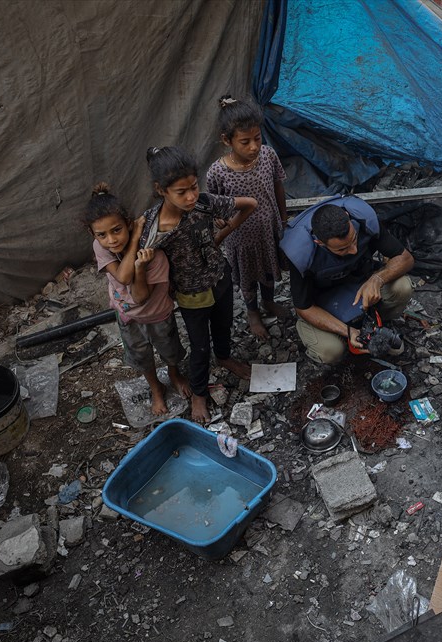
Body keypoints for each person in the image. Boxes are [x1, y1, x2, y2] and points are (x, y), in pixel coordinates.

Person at [139, 146, 257, 423]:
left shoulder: (204, 202)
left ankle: (225, 357)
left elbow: (249, 204)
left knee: (224, 324)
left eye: (194, 186)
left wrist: (220, 236)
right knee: (199, 346)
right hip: (191, 295)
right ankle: (200, 394)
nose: (191, 196)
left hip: (220, 278)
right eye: (182, 192)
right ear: (161, 190)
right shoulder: (154, 227)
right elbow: (143, 262)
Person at [83, 182, 191, 416]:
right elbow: (122, 276)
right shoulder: (100, 246)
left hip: (157, 313)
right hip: (128, 316)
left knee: (170, 349)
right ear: (93, 234)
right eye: (102, 235)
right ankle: (156, 388)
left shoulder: (153, 255)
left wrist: (140, 268)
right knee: (142, 356)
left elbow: (141, 296)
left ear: (128, 224)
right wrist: (133, 241)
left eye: (117, 230)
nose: (111, 240)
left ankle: (174, 374)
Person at [280, 196, 415, 363]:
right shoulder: (302, 254)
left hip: (360, 284)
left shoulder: (363, 220)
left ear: (348, 218)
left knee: (402, 287)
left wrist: (377, 279)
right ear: (320, 243)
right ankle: (342, 335)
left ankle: (377, 325)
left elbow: (405, 258)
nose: (354, 250)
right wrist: (348, 331)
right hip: (324, 304)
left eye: (354, 239)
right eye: (342, 249)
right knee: (330, 352)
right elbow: (304, 308)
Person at [206, 95, 290, 339]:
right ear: (227, 140)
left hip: (269, 229)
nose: (253, 146)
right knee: (248, 277)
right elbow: (214, 204)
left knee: (270, 269)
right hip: (241, 238)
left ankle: (269, 301)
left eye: (257, 138)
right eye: (245, 142)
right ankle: (253, 312)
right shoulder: (218, 172)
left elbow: (278, 187)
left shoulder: (268, 156)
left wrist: (282, 219)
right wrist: (219, 220)